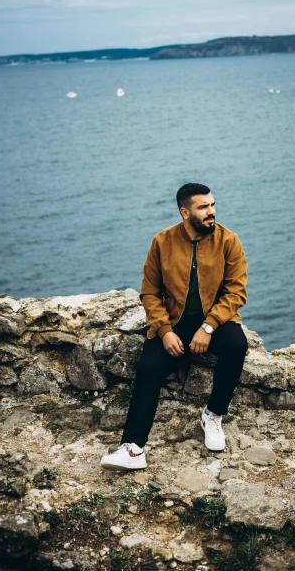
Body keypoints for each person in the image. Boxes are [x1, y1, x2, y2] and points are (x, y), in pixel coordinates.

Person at [100, 183, 249, 470]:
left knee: (236, 345)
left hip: (216, 321)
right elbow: (150, 292)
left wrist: (208, 327)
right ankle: (133, 449)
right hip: (173, 322)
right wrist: (165, 331)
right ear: (185, 212)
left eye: (212, 205)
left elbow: (236, 292)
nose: (211, 212)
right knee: (148, 368)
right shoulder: (162, 242)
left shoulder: (228, 241)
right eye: (203, 207)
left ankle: (213, 415)